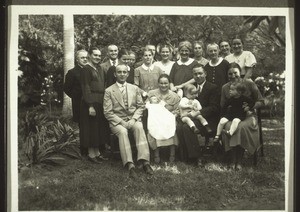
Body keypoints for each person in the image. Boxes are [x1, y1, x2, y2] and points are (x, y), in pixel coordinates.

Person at [103, 64, 154, 178]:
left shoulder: (134, 88)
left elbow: (141, 106)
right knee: (123, 132)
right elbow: (108, 112)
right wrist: (122, 122)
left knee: (139, 127)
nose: (122, 74)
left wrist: (134, 119)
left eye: (124, 72)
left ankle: (145, 161)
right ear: (115, 74)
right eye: (119, 72)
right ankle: (130, 164)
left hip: (132, 118)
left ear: (127, 74)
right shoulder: (109, 91)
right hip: (117, 121)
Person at [220, 62, 264, 171]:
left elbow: (261, 101)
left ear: (240, 72)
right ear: (227, 75)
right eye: (230, 74)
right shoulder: (225, 87)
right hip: (232, 116)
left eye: (235, 73)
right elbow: (223, 105)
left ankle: (238, 161)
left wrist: (251, 107)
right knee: (229, 126)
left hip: (248, 116)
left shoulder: (249, 83)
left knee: (240, 127)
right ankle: (232, 159)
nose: (233, 76)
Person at [176, 64, 220, 165]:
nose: (198, 76)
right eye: (195, 74)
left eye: (200, 73)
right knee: (179, 126)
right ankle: (184, 155)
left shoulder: (213, 87)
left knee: (187, 127)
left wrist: (197, 112)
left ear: (205, 74)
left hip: (208, 120)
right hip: (191, 116)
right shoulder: (191, 88)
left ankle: (197, 157)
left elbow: (214, 107)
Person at [80, 47, 109, 163]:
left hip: (100, 101)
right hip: (90, 101)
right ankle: (91, 154)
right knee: (91, 128)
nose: (97, 57)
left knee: (98, 128)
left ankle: (97, 153)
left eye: (99, 55)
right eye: (95, 55)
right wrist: (90, 105)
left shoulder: (100, 68)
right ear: (90, 56)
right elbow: (85, 87)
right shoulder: (86, 69)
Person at [146, 74, 181, 163]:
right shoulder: (152, 94)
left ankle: (172, 154)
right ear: (158, 83)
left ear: (169, 83)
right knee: (154, 128)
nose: (163, 85)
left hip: (169, 119)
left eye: (166, 83)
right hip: (156, 119)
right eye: (161, 83)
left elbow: (177, 110)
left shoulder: (174, 96)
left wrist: (173, 116)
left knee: (172, 127)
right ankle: (156, 154)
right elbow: (147, 106)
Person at [64, 49, 88, 123]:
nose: (85, 59)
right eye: (82, 57)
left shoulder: (91, 70)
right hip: (79, 104)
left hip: (92, 104)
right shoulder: (72, 72)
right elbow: (66, 88)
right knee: (82, 126)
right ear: (77, 59)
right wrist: (76, 96)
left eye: (86, 57)